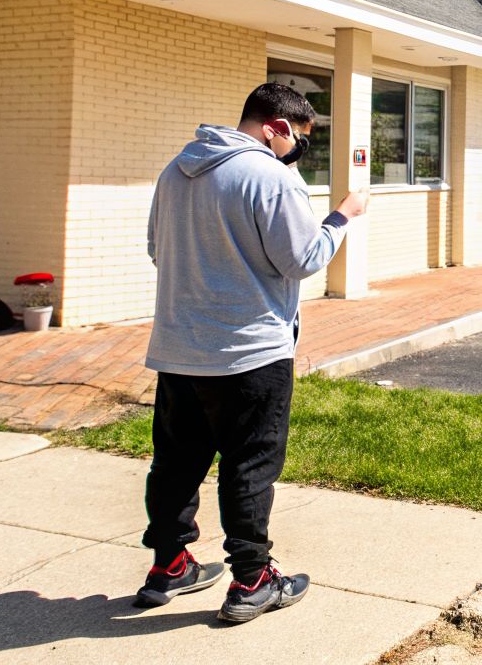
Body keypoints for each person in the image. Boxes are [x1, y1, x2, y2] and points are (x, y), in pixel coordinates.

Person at [136, 83, 369, 623]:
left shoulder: (176, 171)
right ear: (277, 128)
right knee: (249, 465)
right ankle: (252, 579)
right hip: (249, 352)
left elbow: (156, 248)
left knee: (175, 464)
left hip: (177, 348)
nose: (298, 153)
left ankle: (169, 563)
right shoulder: (270, 174)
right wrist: (343, 216)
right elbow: (304, 258)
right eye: (300, 142)